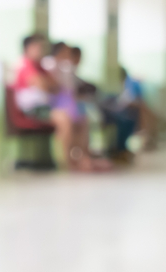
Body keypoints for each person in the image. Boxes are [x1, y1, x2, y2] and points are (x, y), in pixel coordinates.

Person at [13, 35, 106, 172]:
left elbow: (56, 86)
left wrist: (47, 84)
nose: (41, 50)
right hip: (32, 109)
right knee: (64, 118)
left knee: (81, 120)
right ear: (28, 48)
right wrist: (48, 85)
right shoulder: (24, 64)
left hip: (46, 106)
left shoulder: (40, 66)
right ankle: (66, 162)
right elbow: (44, 85)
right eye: (38, 46)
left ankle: (82, 158)